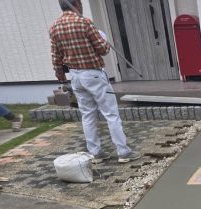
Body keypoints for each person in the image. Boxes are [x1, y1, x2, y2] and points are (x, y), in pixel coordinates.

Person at [49, 0, 140, 163]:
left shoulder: (54, 27)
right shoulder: (85, 23)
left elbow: (56, 57)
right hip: (94, 74)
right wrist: (103, 38)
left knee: (87, 115)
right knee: (111, 114)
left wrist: (62, 78)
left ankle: (96, 153)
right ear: (77, 3)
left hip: (75, 76)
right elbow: (103, 49)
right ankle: (123, 152)